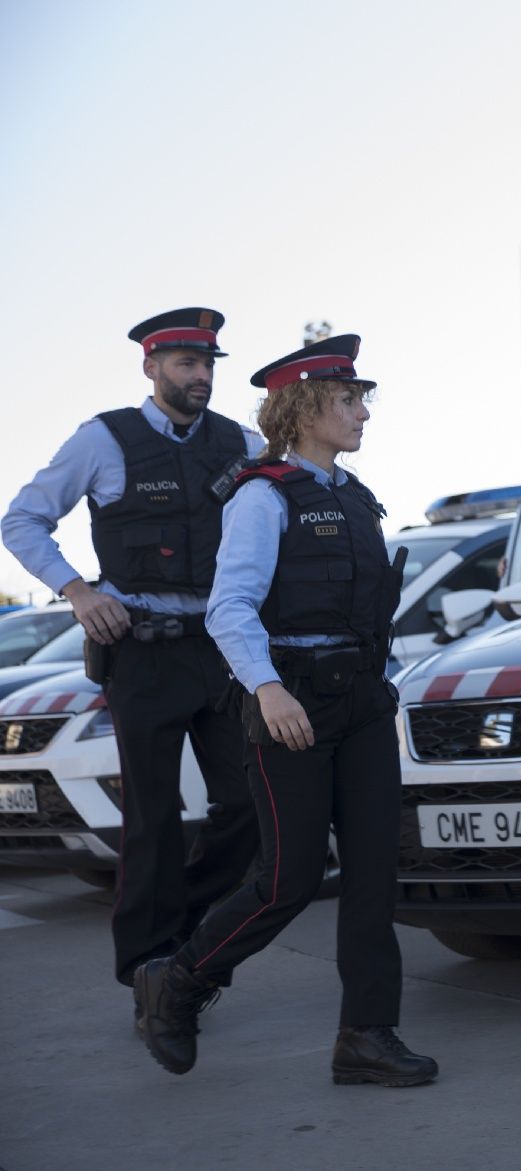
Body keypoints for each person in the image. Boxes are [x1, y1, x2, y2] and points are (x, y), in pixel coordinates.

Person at [134, 334, 437, 1088]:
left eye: (363, 398)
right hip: (290, 703)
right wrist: (267, 689)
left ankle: (367, 1034)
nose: (363, 412)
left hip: (362, 702)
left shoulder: (357, 498)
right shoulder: (263, 496)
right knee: (286, 880)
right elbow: (230, 607)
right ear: (303, 409)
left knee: (372, 876)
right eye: (348, 399)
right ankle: (179, 980)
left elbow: (368, 612)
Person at [1, 308, 259, 996]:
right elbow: (21, 519)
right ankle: (149, 968)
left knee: (247, 808)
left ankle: (189, 933)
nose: (200, 376)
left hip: (218, 651)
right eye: (185, 363)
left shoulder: (241, 442)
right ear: (150, 367)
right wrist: (78, 592)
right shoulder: (104, 439)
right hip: (140, 653)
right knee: (152, 818)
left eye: (207, 364)